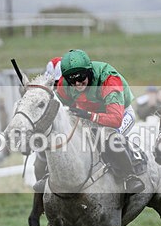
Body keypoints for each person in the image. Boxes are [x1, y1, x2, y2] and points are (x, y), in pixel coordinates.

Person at [54, 49, 144, 194]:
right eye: (72, 80)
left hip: (120, 114)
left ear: (89, 72)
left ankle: (130, 176)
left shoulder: (108, 79)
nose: (77, 83)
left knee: (110, 139)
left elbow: (115, 119)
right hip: (87, 116)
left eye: (81, 78)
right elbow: (58, 106)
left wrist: (88, 115)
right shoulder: (64, 85)